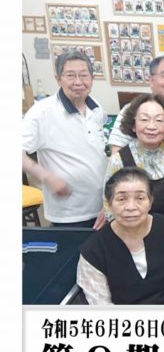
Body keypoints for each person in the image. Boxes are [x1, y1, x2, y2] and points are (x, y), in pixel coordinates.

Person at [77, 167, 164, 304]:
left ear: (150, 202)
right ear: (109, 204)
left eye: (140, 198)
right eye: (121, 199)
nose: (131, 207)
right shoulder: (93, 250)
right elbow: (101, 305)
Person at [22, 50, 107, 228]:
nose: (78, 82)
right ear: (58, 79)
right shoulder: (42, 112)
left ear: (92, 78)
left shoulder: (96, 107)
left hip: (101, 205)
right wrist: (48, 178)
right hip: (69, 211)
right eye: (70, 75)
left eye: (83, 75)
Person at [104, 93, 164, 216]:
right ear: (133, 125)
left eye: (159, 120)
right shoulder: (118, 160)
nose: (151, 126)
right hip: (133, 226)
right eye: (144, 119)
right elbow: (108, 204)